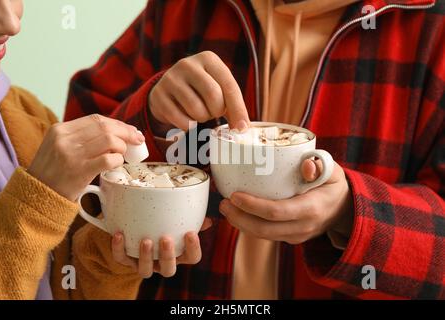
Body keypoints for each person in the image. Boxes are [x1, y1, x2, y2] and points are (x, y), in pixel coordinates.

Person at [65, 0, 444, 299]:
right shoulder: (181, 8)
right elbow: (71, 163)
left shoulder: (432, 26)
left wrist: (351, 214)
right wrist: (149, 116)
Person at [0, 0, 207, 300]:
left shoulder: (30, 116)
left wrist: (113, 254)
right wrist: (34, 209)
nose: (11, 24)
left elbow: (64, 288)